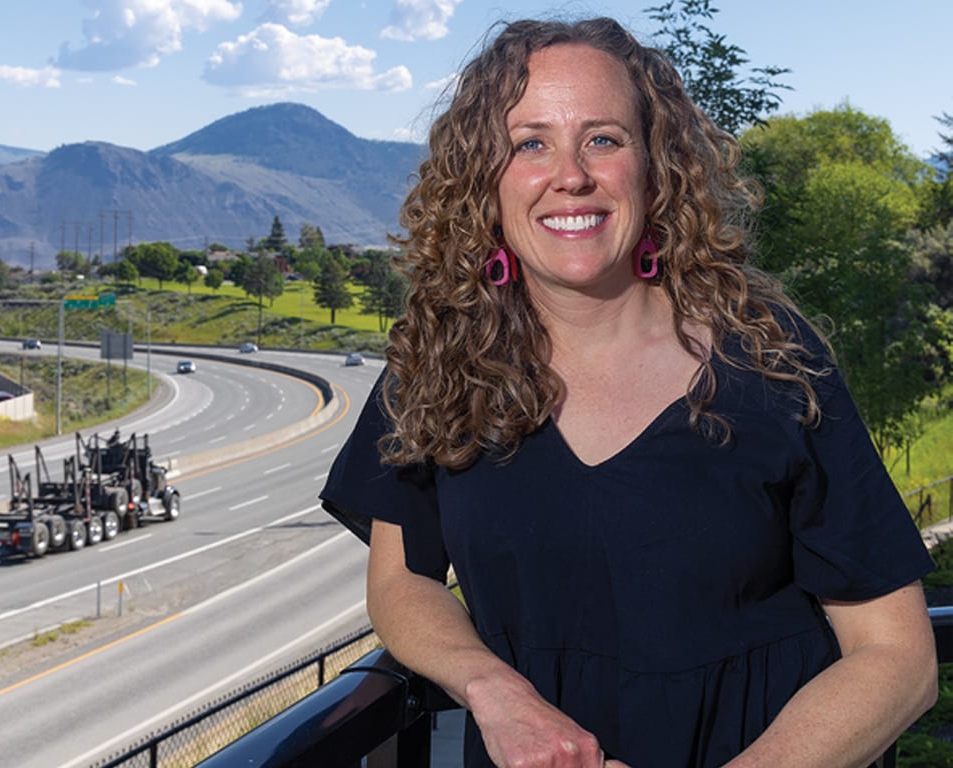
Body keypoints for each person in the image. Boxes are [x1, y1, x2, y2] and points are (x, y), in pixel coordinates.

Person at [320, 16, 937, 768]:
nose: (570, 174)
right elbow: (401, 581)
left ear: (655, 165)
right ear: (483, 177)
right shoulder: (441, 357)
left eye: (603, 139)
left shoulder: (771, 357)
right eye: (529, 143)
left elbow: (898, 656)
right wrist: (494, 692)